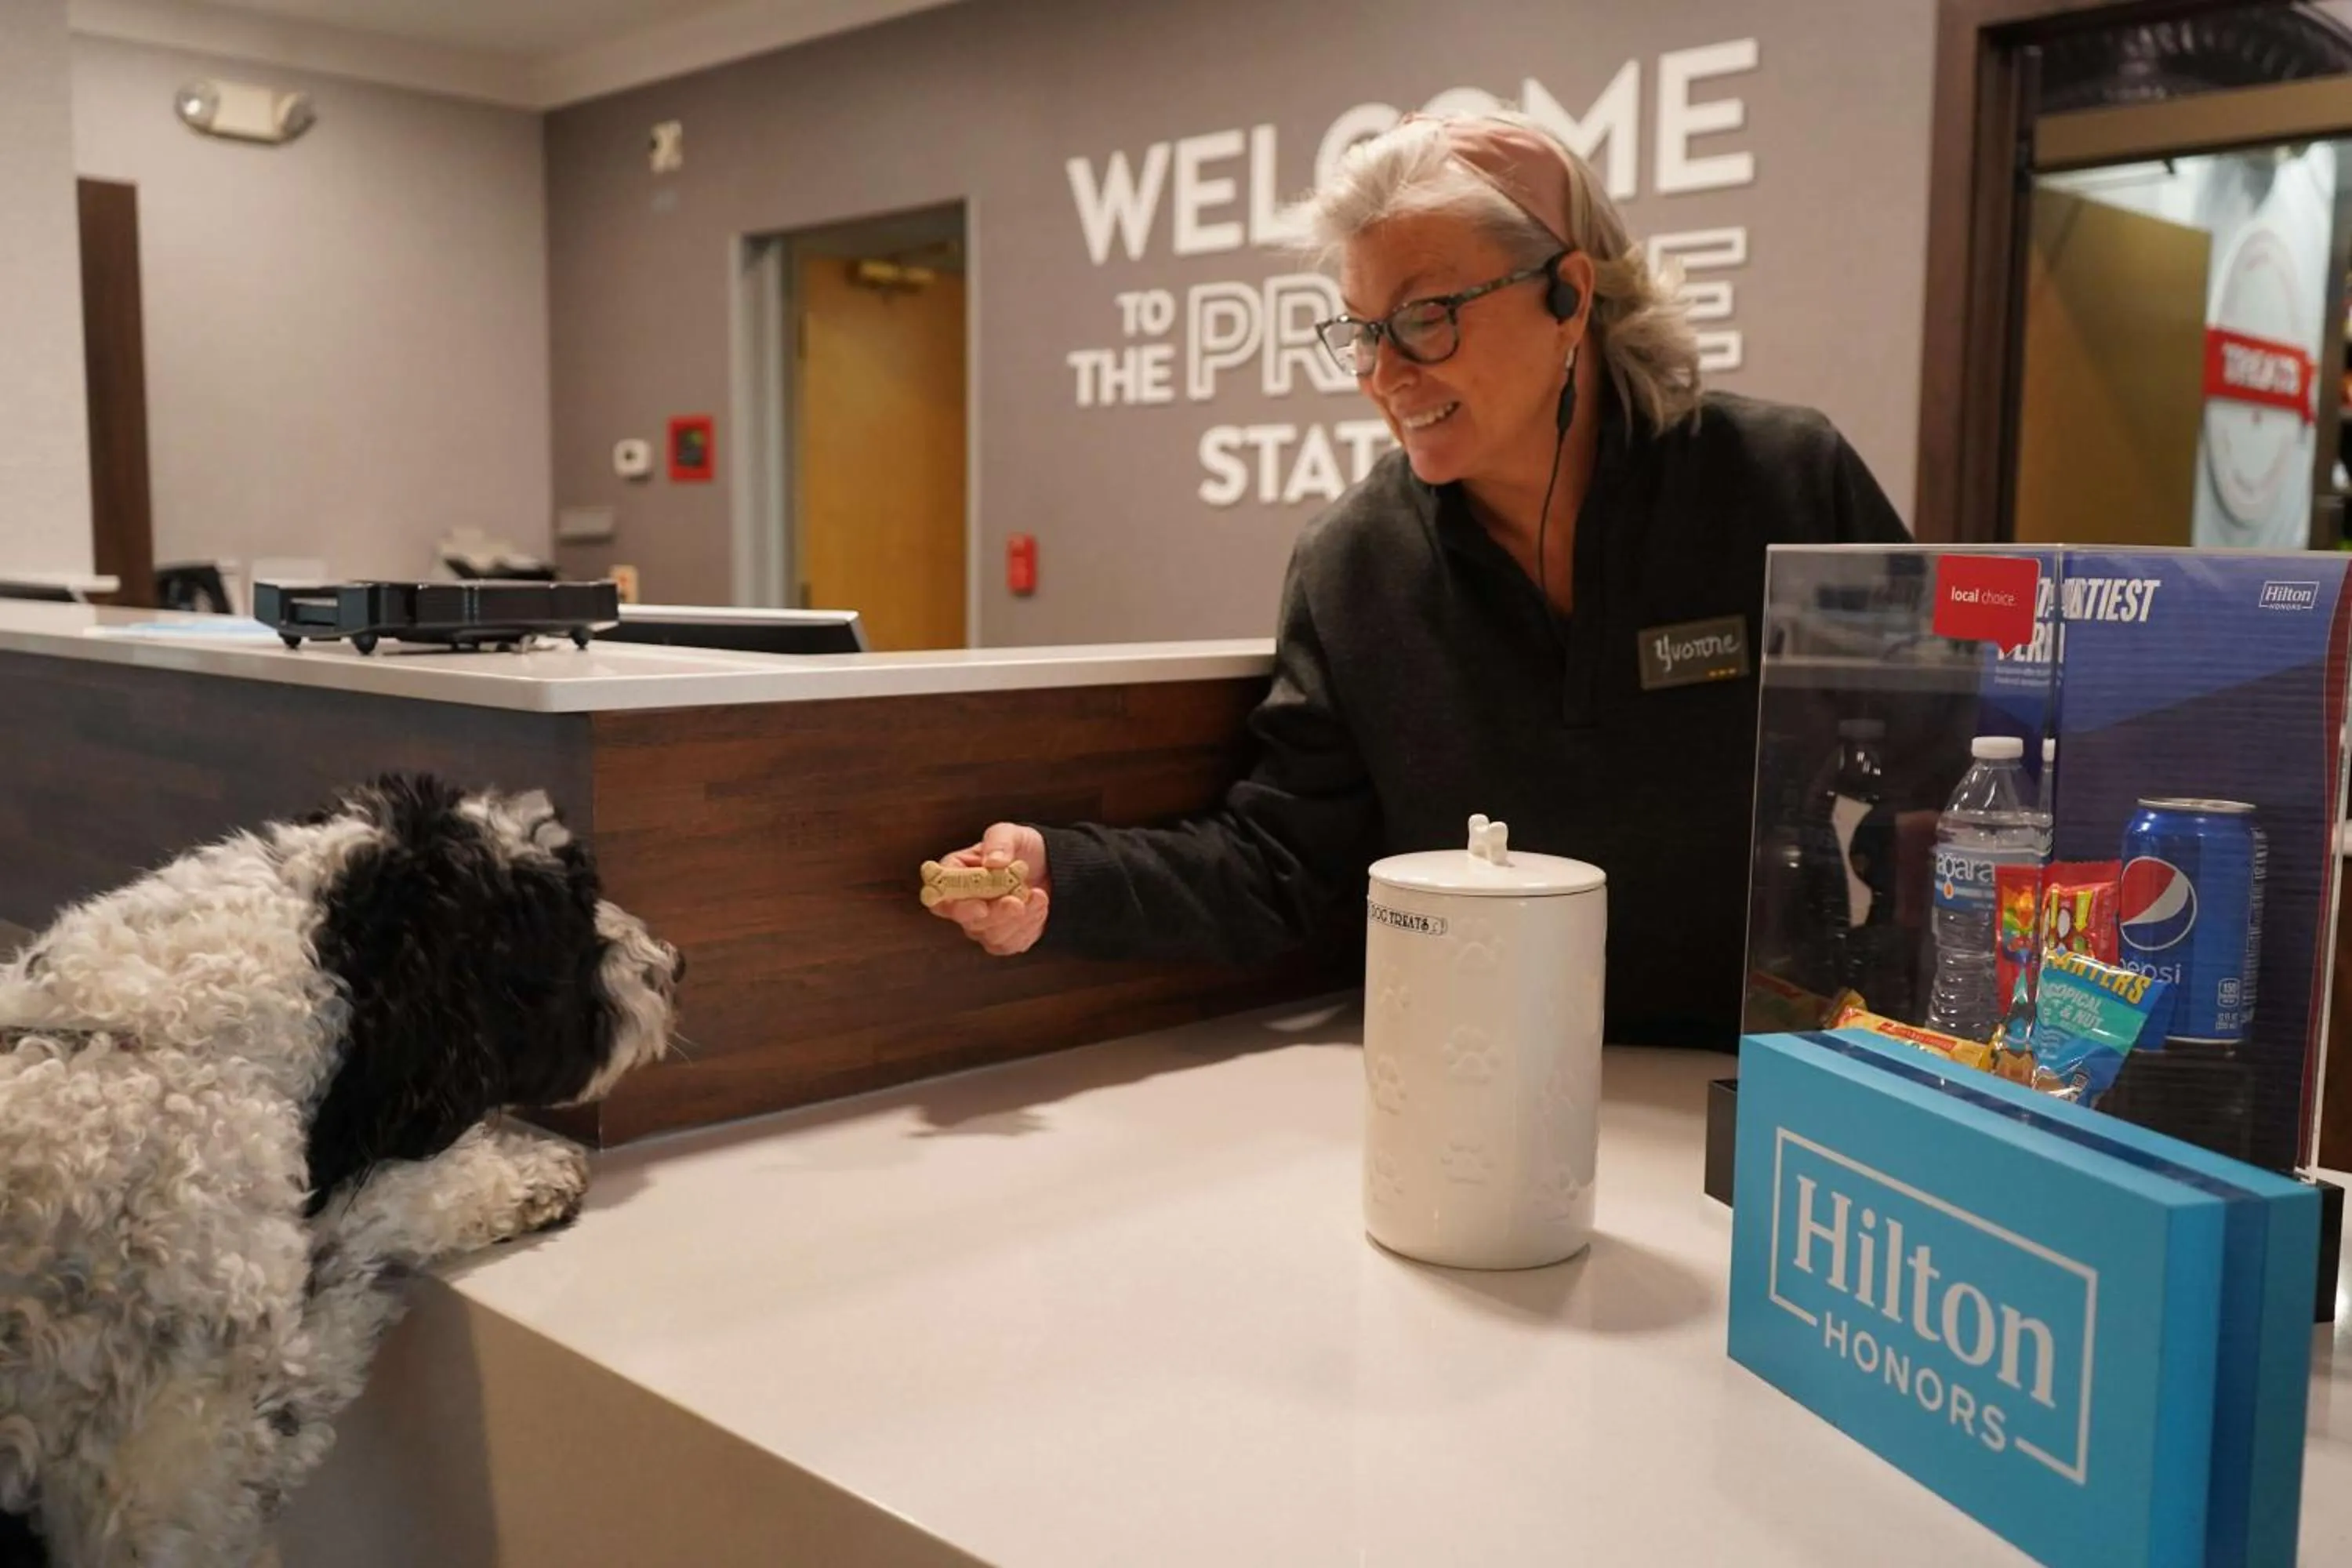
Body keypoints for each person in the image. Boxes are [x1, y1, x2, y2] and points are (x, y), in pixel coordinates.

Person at [928, 108, 1909, 1047]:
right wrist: (1064, 875)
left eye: (1427, 316)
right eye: (1362, 329)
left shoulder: (1784, 481)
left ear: (1569, 293)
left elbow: (1932, 781)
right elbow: (1282, 866)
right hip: (1474, 1079)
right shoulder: (1354, 562)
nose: (1384, 374)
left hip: (1759, 1082)